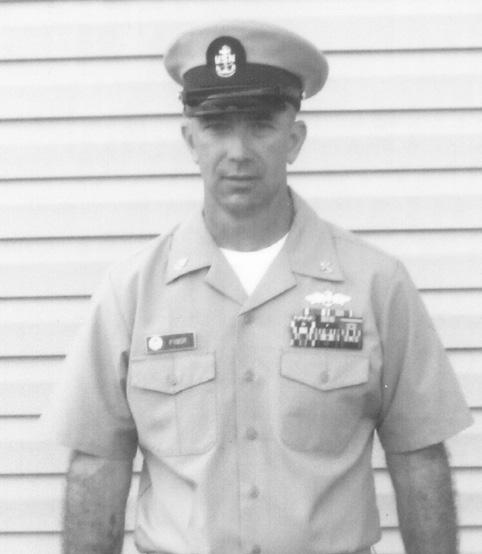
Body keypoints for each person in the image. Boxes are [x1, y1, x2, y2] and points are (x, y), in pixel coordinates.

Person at [43, 20, 473, 554]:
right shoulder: (132, 293)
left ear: (294, 139)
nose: (239, 151)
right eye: (217, 126)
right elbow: (97, 468)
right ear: (190, 140)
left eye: (261, 126)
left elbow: (419, 459)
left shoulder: (376, 285)